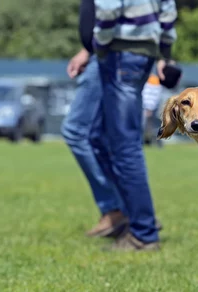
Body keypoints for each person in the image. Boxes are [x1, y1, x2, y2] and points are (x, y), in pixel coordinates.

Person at [92, 0, 177, 251]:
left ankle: (144, 233)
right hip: (144, 54)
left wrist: (100, 42)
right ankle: (136, 220)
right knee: (103, 137)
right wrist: (165, 51)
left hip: (121, 53)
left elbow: (107, 8)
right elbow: (168, 9)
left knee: (126, 147)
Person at [60, 0, 127, 238]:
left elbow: (112, 12)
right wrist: (86, 50)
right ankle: (126, 209)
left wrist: (96, 48)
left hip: (107, 56)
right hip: (100, 54)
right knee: (98, 138)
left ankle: (116, 208)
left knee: (75, 131)